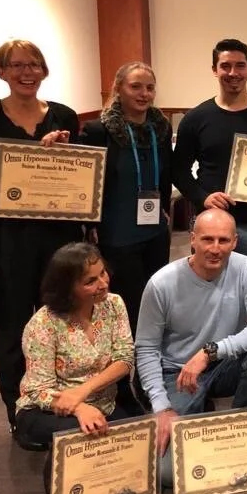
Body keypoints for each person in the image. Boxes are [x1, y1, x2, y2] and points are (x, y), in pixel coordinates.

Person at [0, 39, 82, 443]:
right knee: (12, 328)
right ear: (2, 72)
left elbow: (79, 176)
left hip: (58, 237)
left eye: (34, 65)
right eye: (16, 65)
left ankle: (63, 406)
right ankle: (22, 415)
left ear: (44, 70)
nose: (26, 72)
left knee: (62, 322)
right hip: (7, 240)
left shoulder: (64, 116)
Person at [135, 208, 247, 487]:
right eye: (207, 240)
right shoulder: (161, 284)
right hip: (178, 373)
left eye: (223, 241)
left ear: (235, 242)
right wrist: (161, 407)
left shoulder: (246, 268)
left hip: (223, 365)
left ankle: (238, 434)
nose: (215, 249)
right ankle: (197, 409)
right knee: (166, 475)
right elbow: (146, 348)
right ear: (192, 240)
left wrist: (209, 351)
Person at [15, 243, 133, 494]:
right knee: (80, 434)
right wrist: (79, 408)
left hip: (103, 402)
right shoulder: (43, 324)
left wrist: (83, 392)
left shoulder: (114, 304)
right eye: (90, 281)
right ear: (68, 288)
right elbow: (37, 390)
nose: (102, 283)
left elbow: (125, 358)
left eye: (103, 273)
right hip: (46, 409)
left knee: (135, 445)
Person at [172, 38, 247, 291]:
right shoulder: (195, 119)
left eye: (240, 66)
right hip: (210, 225)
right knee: (207, 292)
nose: (233, 73)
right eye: (225, 66)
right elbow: (178, 170)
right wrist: (203, 198)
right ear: (215, 69)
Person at [79, 62, 173, 335]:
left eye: (149, 87)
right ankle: (121, 370)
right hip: (117, 234)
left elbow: (165, 175)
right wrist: (91, 224)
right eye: (135, 87)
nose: (144, 93)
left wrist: (165, 209)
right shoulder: (99, 131)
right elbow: (85, 177)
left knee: (155, 301)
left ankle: (149, 370)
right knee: (124, 305)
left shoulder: (160, 131)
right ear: (119, 89)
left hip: (155, 231)